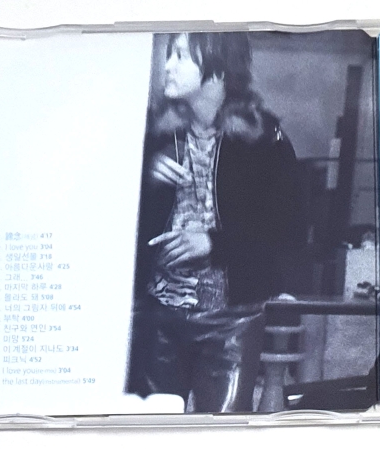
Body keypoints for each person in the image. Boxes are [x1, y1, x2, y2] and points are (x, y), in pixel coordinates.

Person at [125, 32, 305, 413]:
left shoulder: (264, 142)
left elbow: (288, 235)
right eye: (170, 54)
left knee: (222, 433)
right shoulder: (149, 136)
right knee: (147, 430)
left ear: (218, 69)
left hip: (231, 323)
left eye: (181, 56)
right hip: (156, 317)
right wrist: (140, 179)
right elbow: (104, 220)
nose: (168, 66)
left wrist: (213, 243)